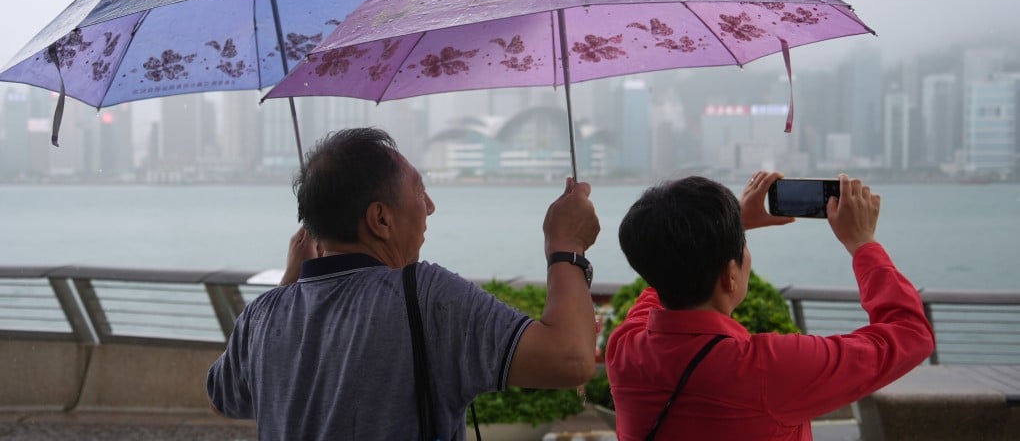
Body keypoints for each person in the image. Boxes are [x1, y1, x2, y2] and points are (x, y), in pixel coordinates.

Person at [206, 127, 600, 440]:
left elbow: (223, 396)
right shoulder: (427, 296)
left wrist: (290, 281)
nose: (429, 206)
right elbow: (571, 359)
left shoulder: (262, 315)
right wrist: (567, 245)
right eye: (418, 191)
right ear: (380, 220)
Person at [605, 171, 935, 441]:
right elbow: (911, 335)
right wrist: (863, 243)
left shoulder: (624, 348)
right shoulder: (766, 370)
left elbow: (664, 273)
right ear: (729, 277)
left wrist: (729, 229)